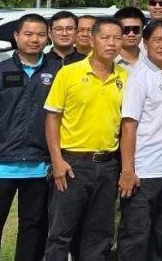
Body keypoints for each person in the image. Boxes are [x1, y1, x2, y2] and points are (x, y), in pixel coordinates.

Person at [43, 17, 128, 261]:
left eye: (116, 38)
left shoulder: (125, 76)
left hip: (108, 165)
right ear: (92, 40)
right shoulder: (69, 73)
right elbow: (52, 117)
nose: (111, 43)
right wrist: (57, 160)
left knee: (99, 234)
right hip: (73, 164)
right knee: (61, 233)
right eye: (105, 37)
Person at [0, 13, 54, 261]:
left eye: (40, 34)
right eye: (28, 34)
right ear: (16, 36)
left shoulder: (56, 71)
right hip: (1, 165)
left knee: (33, 227)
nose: (34, 39)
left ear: (47, 38)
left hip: (40, 166)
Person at [118, 20, 162, 261]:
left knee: (161, 233)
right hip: (143, 171)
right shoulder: (139, 77)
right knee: (136, 235)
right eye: (157, 40)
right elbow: (128, 126)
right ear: (145, 43)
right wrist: (128, 170)